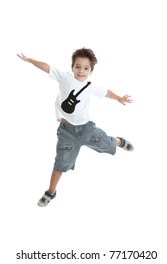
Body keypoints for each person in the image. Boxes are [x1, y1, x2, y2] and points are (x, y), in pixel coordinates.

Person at [17, 48, 134, 207]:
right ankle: (51, 192)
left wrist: (119, 98)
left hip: (86, 129)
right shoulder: (64, 77)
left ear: (91, 71)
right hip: (67, 132)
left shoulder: (91, 87)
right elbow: (47, 67)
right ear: (72, 67)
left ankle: (118, 141)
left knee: (108, 145)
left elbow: (106, 93)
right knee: (60, 162)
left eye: (86, 68)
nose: (81, 71)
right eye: (78, 66)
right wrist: (30, 60)